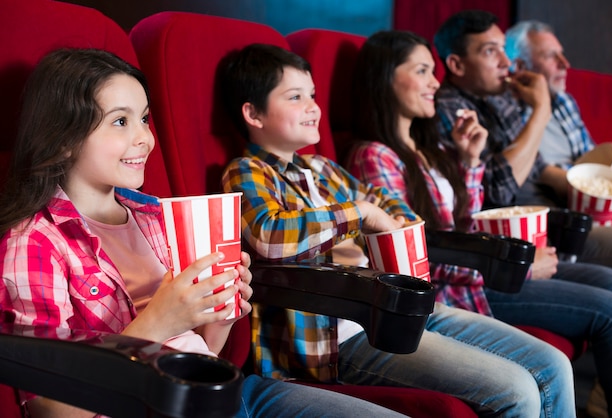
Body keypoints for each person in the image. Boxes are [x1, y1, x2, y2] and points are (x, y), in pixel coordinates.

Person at [0, 48, 412, 418]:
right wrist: (158, 322)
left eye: (144, 119)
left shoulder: (154, 215)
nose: (144, 138)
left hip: (224, 387)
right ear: (64, 137)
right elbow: (51, 410)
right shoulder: (34, 243)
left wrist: (222, 306)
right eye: (120, 121)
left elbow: (203, 350)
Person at [220, 42, 576, 417]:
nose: (313, 107)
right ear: (253, 114)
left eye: (312, 95)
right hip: (344, 335)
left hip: (399, 307)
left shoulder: (322, 170)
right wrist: (361, 216)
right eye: (295, 97)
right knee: (517, 390)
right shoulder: (247, 171)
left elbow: (390, 205)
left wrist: (375, 217)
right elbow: (271, 234)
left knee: (553, 365)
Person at [345, 29, 612, 417]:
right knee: (609, 310)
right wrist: (511, 269)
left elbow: (463, 225)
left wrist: (471, 163)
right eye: (423, 71)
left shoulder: (429, 150)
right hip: (453, 291)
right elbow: (413, 258)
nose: (435, 82)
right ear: (385, 78)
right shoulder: (375, 157)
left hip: (471, 279)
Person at [504, 19, 612, 273]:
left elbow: (592, 160)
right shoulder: (507, 110)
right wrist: (603, 194)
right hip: (563, 217)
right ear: (520, 66)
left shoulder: (564, 101)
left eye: (562, 54)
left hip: (598, 207)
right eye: (551, 57)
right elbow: (538, 174)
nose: (565, 64)